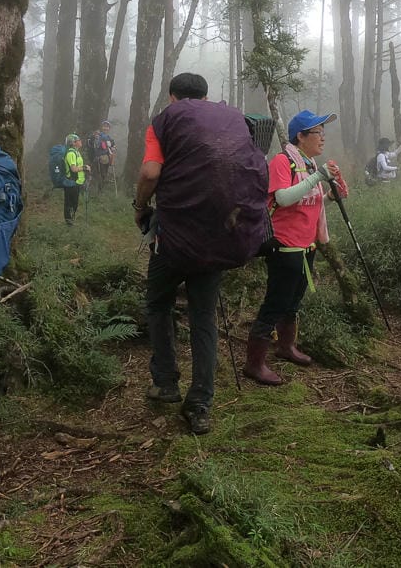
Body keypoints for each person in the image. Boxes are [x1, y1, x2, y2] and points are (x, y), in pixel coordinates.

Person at [135, 72, 268, 435]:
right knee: (203, 317)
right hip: (221, 234)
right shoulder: (234, 119)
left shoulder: (165, 120)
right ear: (207, 97)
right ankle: (200, 405)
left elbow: (150, 171)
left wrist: (139, 205)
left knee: (159, 303)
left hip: (173, 238)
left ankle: (165, 382)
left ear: (173, 97)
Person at [243, 109, 347, 386]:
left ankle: (286, 347)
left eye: (324, 133)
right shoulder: (282, 161)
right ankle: (254, 364)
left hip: (306, 245)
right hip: (285, 245)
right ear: (300, 136)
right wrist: (318, 178)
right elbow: (283, 198)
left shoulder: (310, 163)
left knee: (293, 303)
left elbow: (308, 200)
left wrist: (330, 194)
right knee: (275, 304)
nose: (323, 138)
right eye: (317, 133)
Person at [63, 133, 89, 225]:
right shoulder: (71, 153)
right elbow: (74, 169)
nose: (80, 141)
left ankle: (71, 221)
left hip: (76, 182)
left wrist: (84, 167)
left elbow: (78, 166)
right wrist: (84, 168)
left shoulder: (76, 152)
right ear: (73, 143)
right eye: (78, 140)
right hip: (71, 182)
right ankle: (69, 224)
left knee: (74, 203)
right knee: (70, 204)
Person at [91, 120, 117, 186]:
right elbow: (96, 146)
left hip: (107, 159)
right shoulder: (99, 136)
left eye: (107, 127)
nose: (106, 128)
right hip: (100, 159)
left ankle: (100, 190)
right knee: (101, 175)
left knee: (104, 175)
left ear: (109, 128)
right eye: (104, 126)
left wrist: (113, 147)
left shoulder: (109, 138)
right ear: (102, 127)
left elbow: (112, 146)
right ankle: (98, 191)